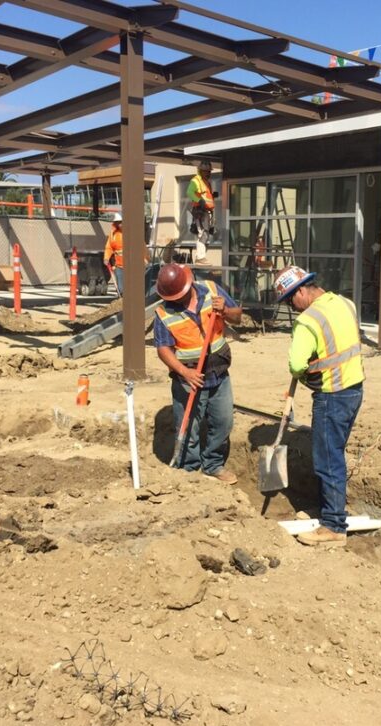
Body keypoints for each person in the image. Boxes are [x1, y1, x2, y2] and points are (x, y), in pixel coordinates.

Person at [274, 265, 364, 548]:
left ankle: (334, 525)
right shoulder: (345, 303)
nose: (292, 306)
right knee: (334, 454)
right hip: (354, 390)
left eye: (290, 300)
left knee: (328, 460)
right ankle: (329, 510)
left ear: (300, 291)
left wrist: (304, 373)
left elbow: (296, 364)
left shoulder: (307, 321)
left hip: (332, 395)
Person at [153, 263, 242, 484]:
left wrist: (226, 311)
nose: (177, 301)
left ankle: (212, 465)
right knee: (188, 427)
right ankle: (189, 471)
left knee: (223, 421)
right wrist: (184, 372)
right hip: (188, 378)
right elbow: (163, 349)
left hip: (218, 372)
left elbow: (238, 317)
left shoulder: (212, 290)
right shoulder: (164, 313)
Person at [187, 160, 217, 263]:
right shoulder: (195, 181)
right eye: (206, 171)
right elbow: (190, 193)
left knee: (206, 233)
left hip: (206, 211)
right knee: (203, 233)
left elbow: (206, 196)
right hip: (200, 211)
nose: (208, 173)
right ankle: (200, 257)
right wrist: (199, 200)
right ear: (201, 171)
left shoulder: (206, 182)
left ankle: (201, 256)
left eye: (209, 171)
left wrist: (213, 196)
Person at [104, 213, 124, 296]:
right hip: (119, 265)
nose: (119, 224)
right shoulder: (113, 234)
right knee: (121, 287)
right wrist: (106, 258)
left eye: (120, 222)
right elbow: (109, 247)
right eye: (117, 222)